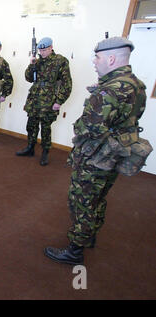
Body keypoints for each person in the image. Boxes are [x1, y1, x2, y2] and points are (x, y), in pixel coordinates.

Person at [44, 37, 149, 265]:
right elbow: (128, 116)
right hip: (116, 154)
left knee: (82, 201)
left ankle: (74, 250)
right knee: (99, 198)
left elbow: (89, 129)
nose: (94, 61)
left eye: (98, 57)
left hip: (96, 157)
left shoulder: (108, 92)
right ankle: (89, 237)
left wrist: (95, 101)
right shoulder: (136, 84)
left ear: (111, 59)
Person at [16, 37, 72, 166]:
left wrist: (59, 101)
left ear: (51, 47)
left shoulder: (60, 61)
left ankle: (45, 152)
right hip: (34, 99)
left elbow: (67, 84)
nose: (42, 53)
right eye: (40, 50)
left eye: (45, 50)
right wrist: (32, 64)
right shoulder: (37, 61)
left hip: (49, 100)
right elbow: (28, 78)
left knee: (45, 128)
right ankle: (30, 147)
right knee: (31, 125)